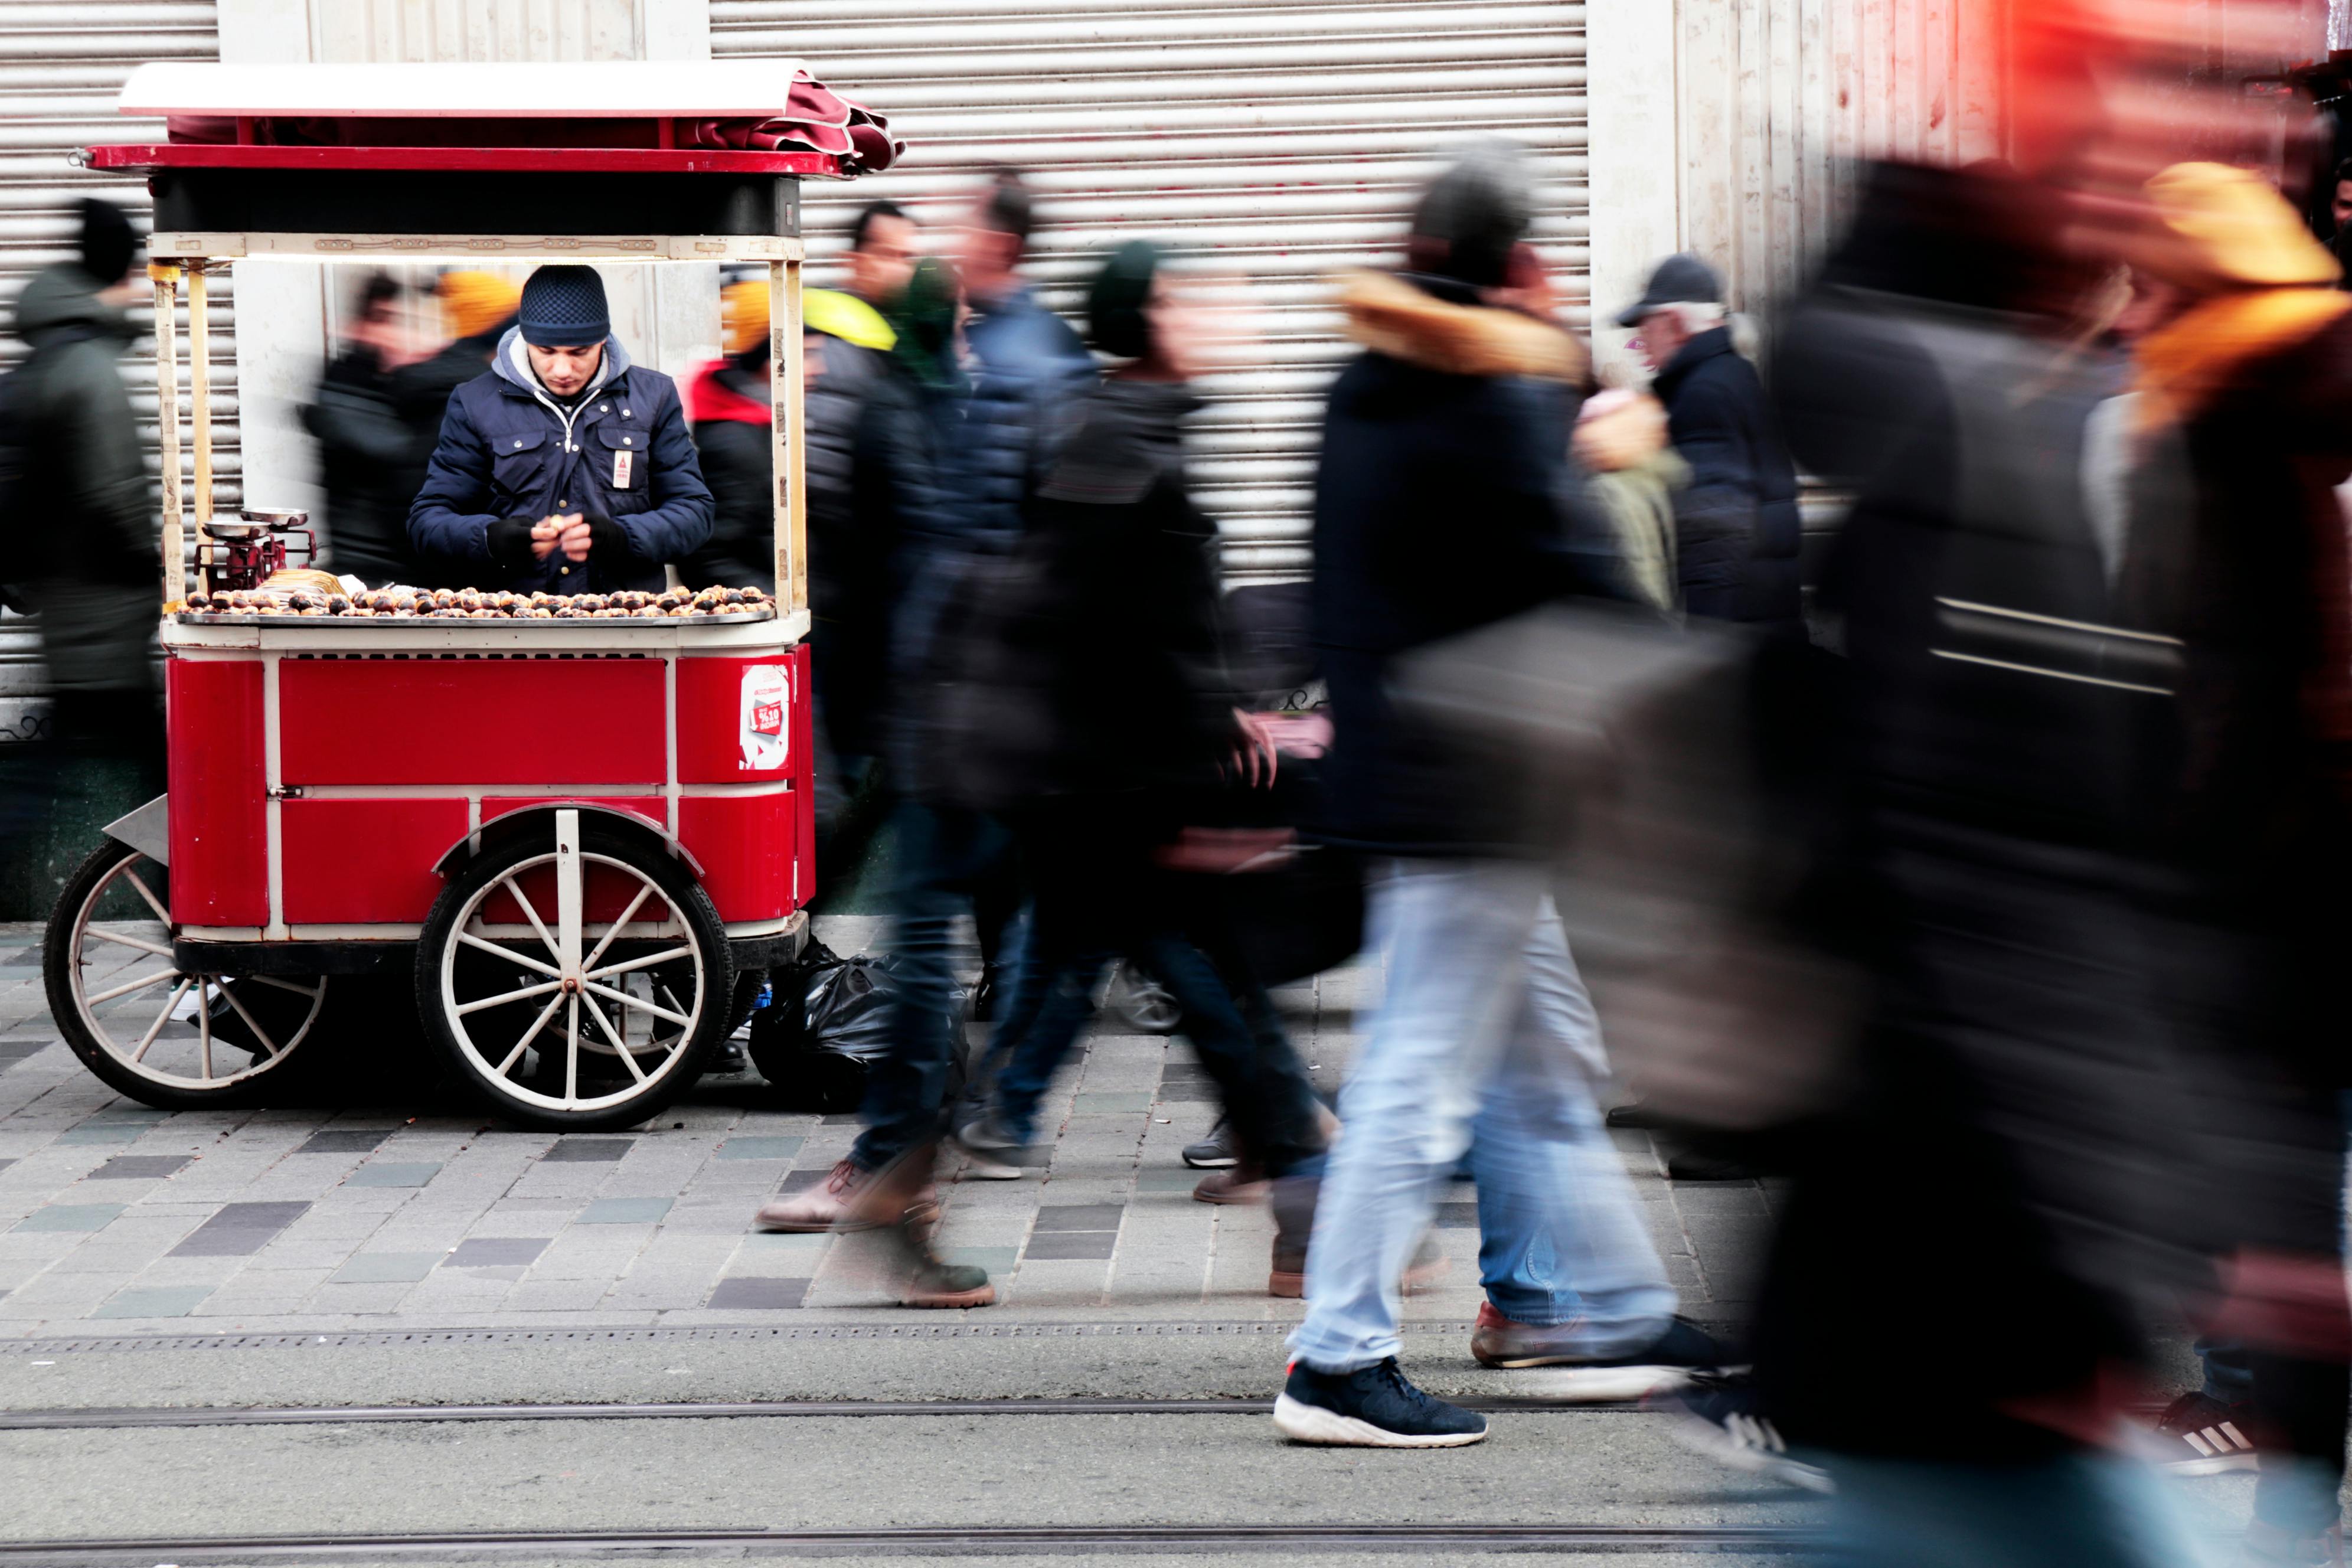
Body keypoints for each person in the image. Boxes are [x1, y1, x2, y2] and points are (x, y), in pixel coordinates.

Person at [1272, 143, 1720, 1451]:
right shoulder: (1486, 398)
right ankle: (1338, 1357)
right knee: (1421, 1074)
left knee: (1539, 1064)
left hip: (1422, 779)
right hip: (1465, 793)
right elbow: (1563, 568)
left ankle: (1616, 1308)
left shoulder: (1364, 384)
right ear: (1518, 266)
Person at [950, 241, 1327, 1217]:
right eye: (1183, 297)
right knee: (1189, 963)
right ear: (1149, 322)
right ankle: (1291, 1155)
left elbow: (1160, 602)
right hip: (1111, 771)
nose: (1210, 312)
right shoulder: (1116, 435)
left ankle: (992, 1127)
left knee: (1117, 949)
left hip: (1111, 767)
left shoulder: (1138, 423)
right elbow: (1113, 615)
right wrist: (1210, 717)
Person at [750, 256, 995, 1310]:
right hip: (953, 722)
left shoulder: (899, 403)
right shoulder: (927, 410)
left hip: (931, 719)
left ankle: (901, 1170)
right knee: (990, 955)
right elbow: (934, 563)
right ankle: (904, 1170)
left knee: (965, 950)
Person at [407, 264, 712, 592]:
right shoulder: (474, 402)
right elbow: (427, 520)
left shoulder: (654, 396)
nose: (563, 369)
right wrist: (488, 538)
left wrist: (622, 536)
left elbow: (695, 513)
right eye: (546, 352)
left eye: (579, 352)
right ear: (526, 340)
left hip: (626, 621)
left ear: (603, 340)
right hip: (513, 625)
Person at [9, 199, 159, 777]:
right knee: (151, 776)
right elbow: (114, 493)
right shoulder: (90, 369)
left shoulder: (54, 353)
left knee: (71, 760)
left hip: (70, 614)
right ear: (118, 276)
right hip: (105, 623)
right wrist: (155, 571)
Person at [1619, 254, 1804, 637]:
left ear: (1674, 323)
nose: (1639, 344)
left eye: (1644, 327)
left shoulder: (1702, 393)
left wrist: (1704, 644)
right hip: (1763, 619)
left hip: (1736, 635)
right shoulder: (1734, 373)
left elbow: (1712, 536)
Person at [303, 273, 416, 586]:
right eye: (385, 320)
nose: (395, 333)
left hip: (402, 553)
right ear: (365, 323)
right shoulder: (347, 377)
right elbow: (393, 451)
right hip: (365, 556)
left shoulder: (405, 381)